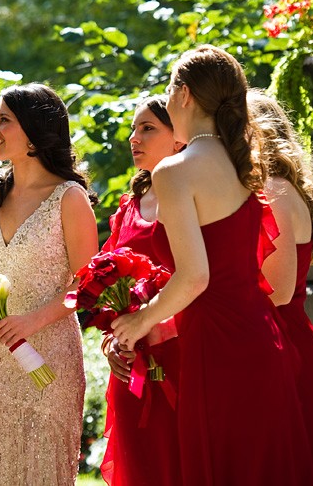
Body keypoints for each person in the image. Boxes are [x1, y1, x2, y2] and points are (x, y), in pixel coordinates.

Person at [111, 45, 313, 485]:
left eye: (168, 92)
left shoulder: (175, 171)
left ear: (184, 95)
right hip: (264, 338)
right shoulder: (246, 165)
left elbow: (195, 276)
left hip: (217, 346)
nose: (167, 101)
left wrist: (139, 321)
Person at [0, 83, 99, 486]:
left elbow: (89, 283)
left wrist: (33, 320)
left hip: (51, 356)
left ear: (33, 131)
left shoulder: (69, 198)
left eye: (4, 120)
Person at [248, 90, 313, 485]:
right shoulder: (276, 187)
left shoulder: (273, 190)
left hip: (282, 341)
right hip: (283, 338)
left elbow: (278, 289)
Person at [100, 95, 184, 486]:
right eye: (134, 128)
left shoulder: (193, 196)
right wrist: (111, 340)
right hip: (130, 361)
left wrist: (156, 324)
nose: (135, 137)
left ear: (179, 136)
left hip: (183, 357)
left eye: (148, 128)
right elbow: (100, 280)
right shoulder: (128, 205)